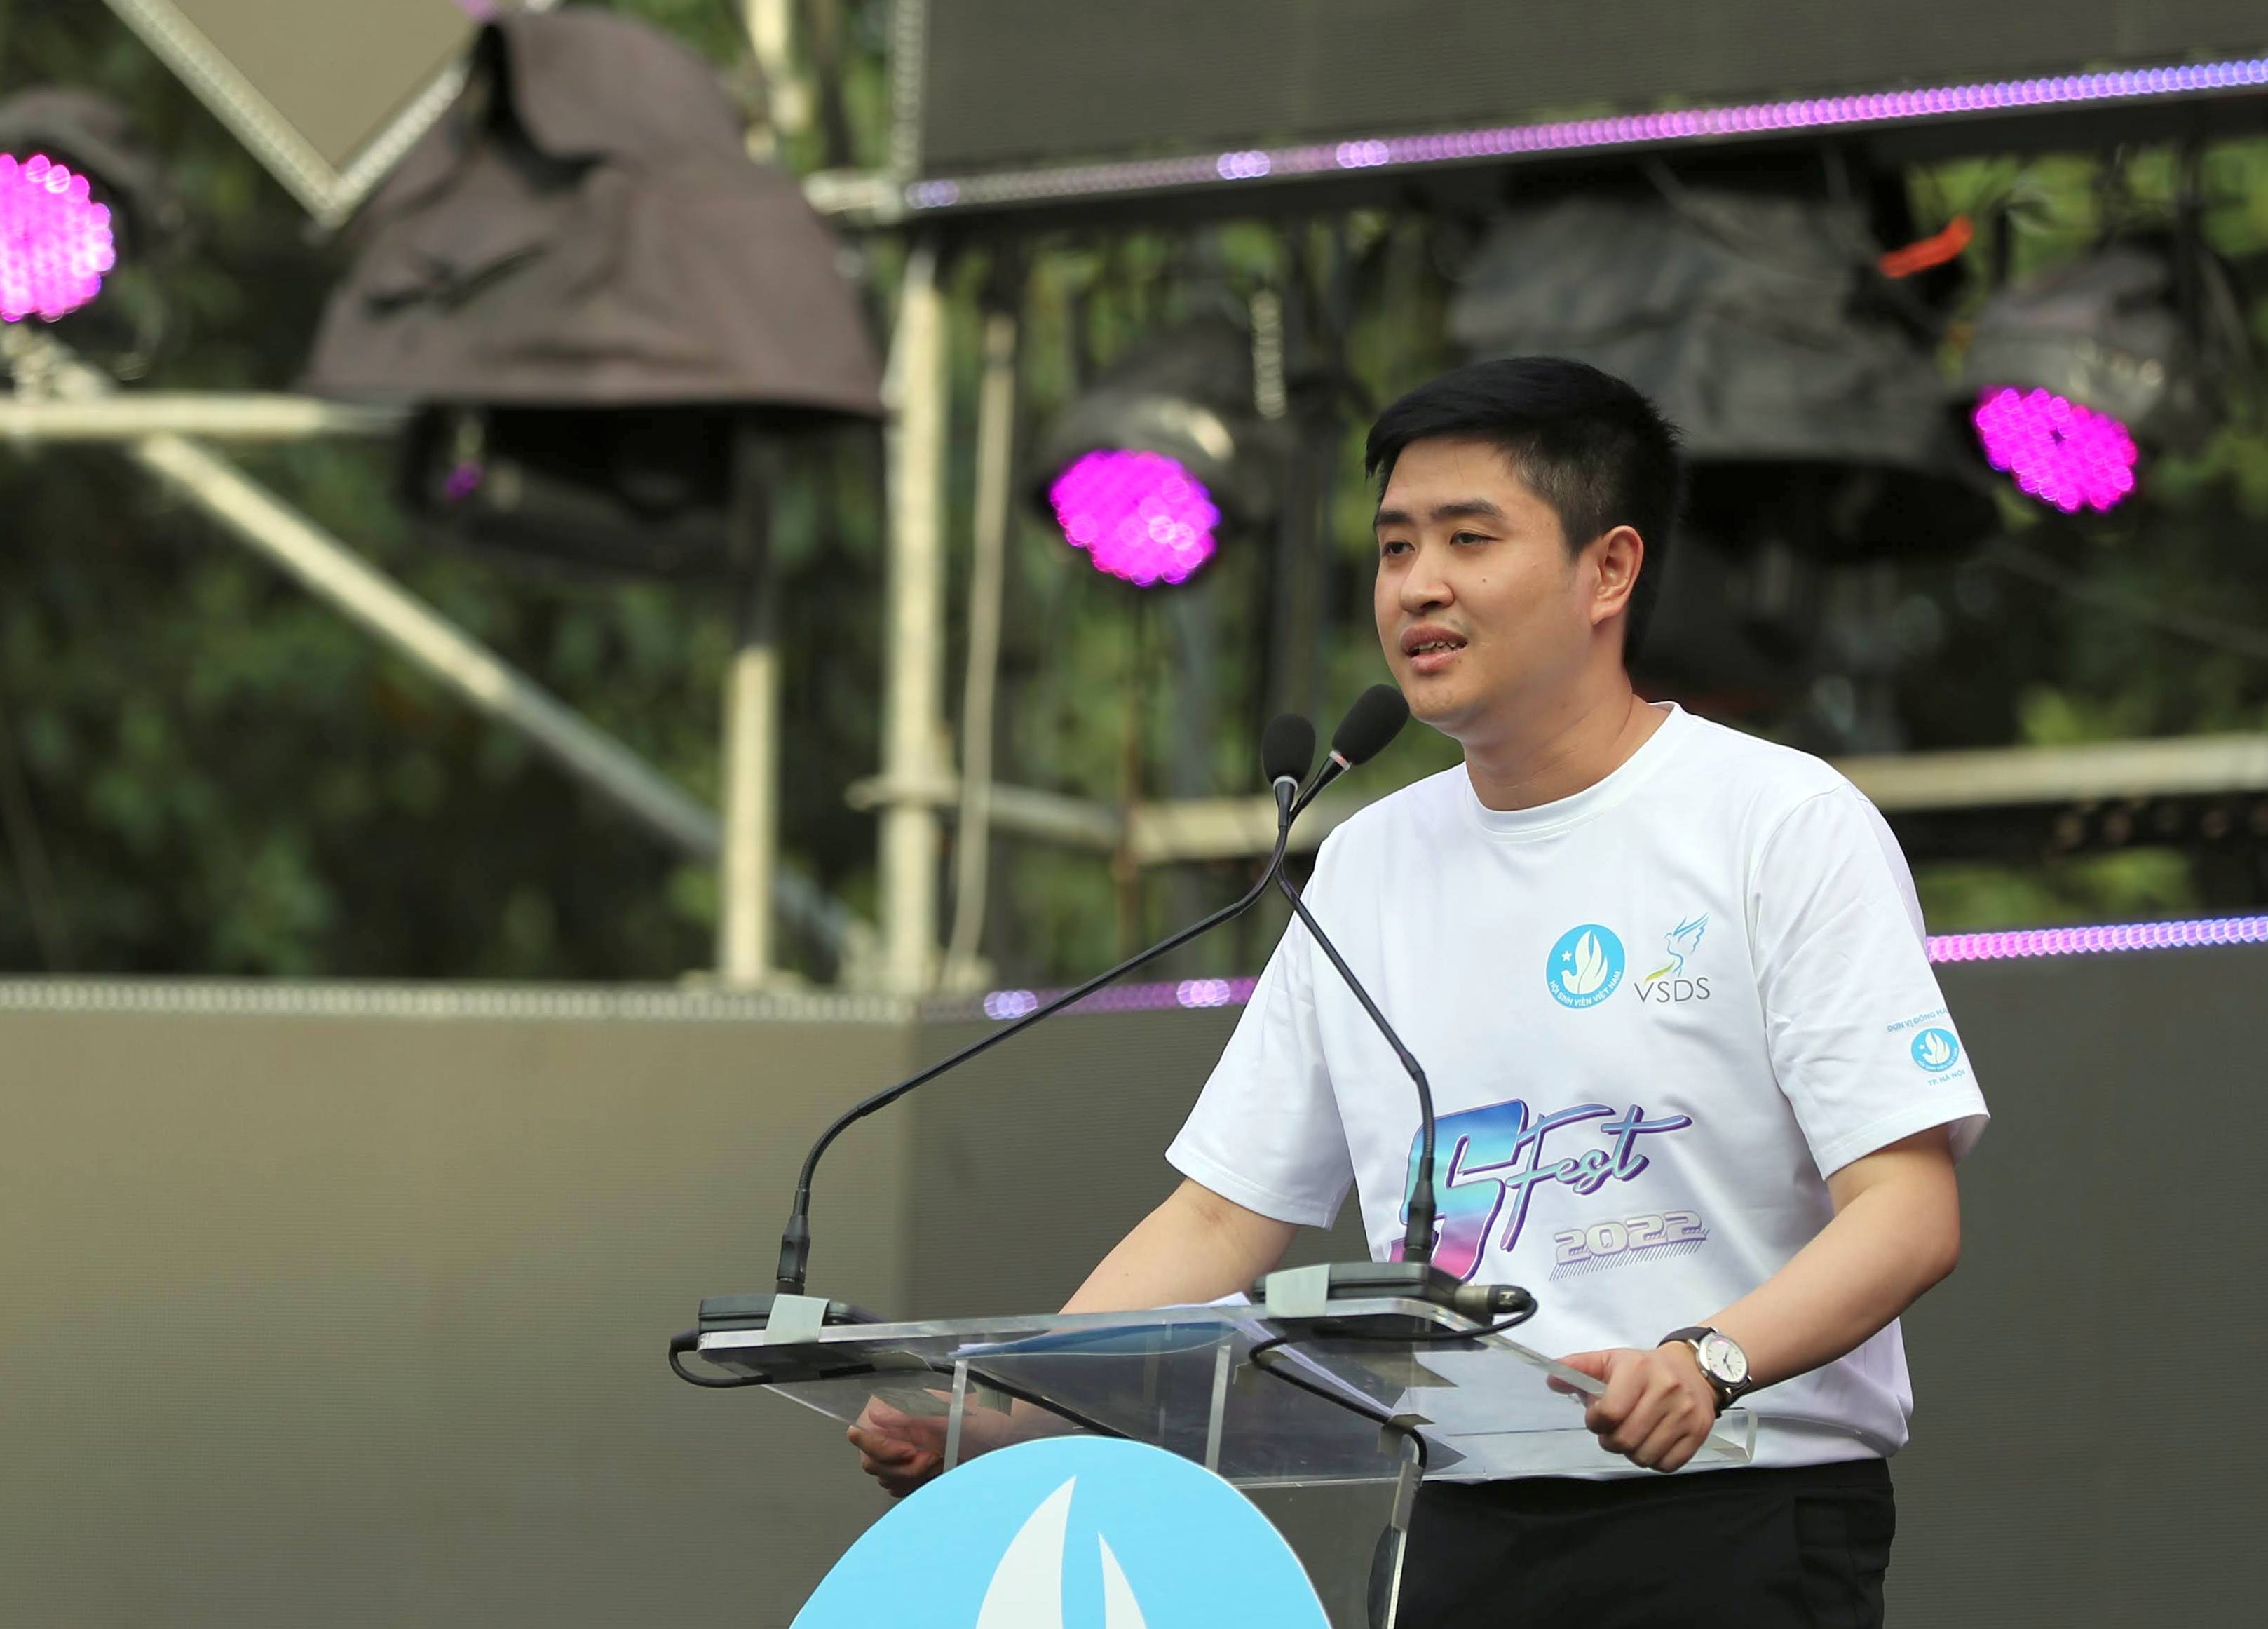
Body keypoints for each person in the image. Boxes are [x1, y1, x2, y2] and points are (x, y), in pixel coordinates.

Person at [850, 356, 1987, 1628]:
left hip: (1737, 1516)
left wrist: (1709, 1360)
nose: (1418, 585)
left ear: (1609, 571)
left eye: (1468, 539)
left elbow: (1908, 1211)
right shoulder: (1369, 863)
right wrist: (1014, 1415)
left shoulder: (1779, 821)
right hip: (1457, 1521)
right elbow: (1219, 1220)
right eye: (1395, 547)